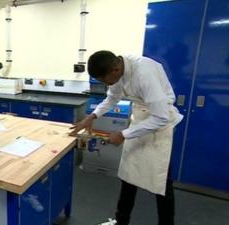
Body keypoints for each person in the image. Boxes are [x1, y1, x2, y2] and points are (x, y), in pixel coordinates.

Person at [70, 50, 183, 225]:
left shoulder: (144, 73)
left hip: (159, 126)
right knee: (128, 176)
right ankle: (121, 221)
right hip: (140, 120)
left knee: (160, 182)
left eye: (103, 80)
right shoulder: (118, 69)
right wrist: (91, 118)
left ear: (115, 69)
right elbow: (112, 98)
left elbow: (161, 117)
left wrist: (124, 134)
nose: (104, 84)